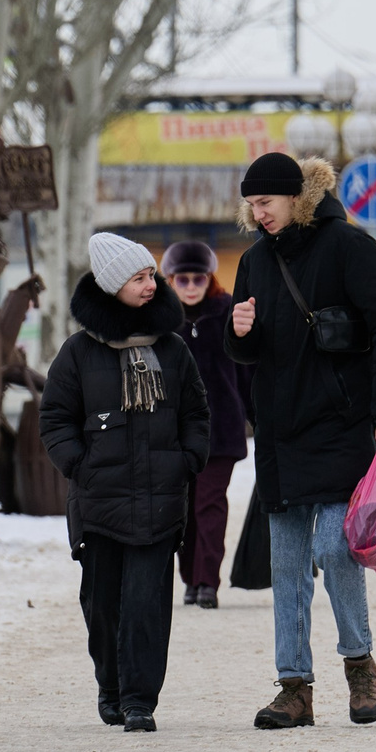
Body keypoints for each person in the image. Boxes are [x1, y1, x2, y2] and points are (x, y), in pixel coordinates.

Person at [226, 152, 376, 729]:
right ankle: (293, 687)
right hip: (281, 432)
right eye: (251, 206)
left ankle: (359, 665)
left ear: (296, 196)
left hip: (342, 424)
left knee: (334, 548)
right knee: (286, 563)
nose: (259, 215)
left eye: (267, 203)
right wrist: (239, 335)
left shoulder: (348, 247)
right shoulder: (256, 262)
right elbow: (250, 355)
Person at [41, 233, 211, 732]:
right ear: (113, 286)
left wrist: (188, 459)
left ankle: (139, 701)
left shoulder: (174, 349)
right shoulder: (77, 353)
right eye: (139, 278)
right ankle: (110, 686)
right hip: (99, 503)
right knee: (102, 604)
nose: (150, 284)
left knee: (147, 606)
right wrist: (79, 463)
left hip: (160, 501)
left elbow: (197, 412)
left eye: (150, 275)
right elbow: (55, 417)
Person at [163, 239, 247, 608]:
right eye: (183, 280)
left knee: (209, 504)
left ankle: (207, 581)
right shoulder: (160, 322)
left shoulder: (229, 313)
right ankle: (190, 578)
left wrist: (259, 416)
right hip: (174, 433)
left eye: (199, 278)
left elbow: (249, 370)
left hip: (222, 428)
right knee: (182, 508)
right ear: (170, 280)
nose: (192, 286)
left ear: (210, 278)